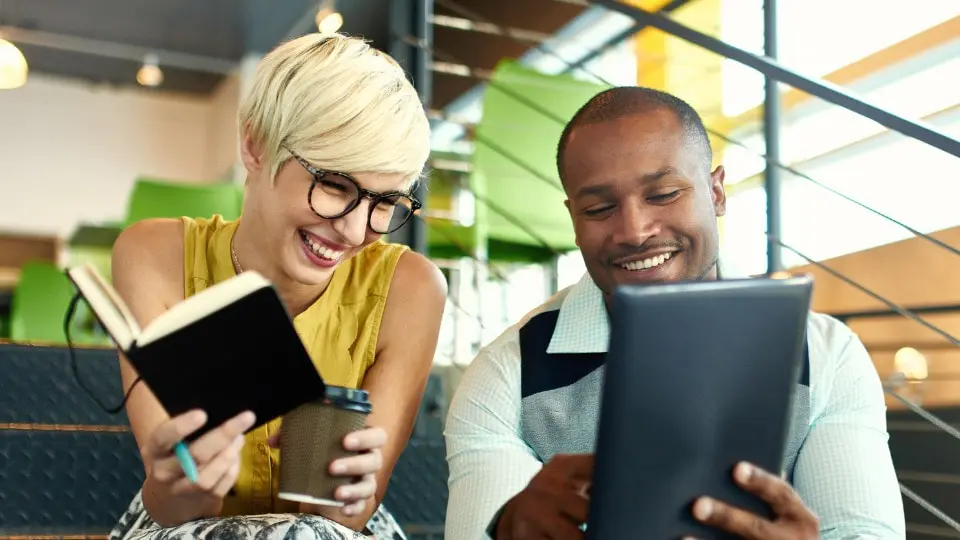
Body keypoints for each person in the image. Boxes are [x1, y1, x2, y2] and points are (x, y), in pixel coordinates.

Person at [444, 87, 905, 539]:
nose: (635, 230)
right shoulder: (508, 373)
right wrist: (507, 528)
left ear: (717, 192)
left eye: (663, 194)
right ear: (573, 218)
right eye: (600, 208)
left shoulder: (824, 355)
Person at [107, 32, 447, 540]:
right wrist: (178, 481)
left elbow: (347, 518)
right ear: (254, 145)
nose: (356, 232)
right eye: (334, 185)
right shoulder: (154, 258)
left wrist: (348, 487)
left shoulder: (411, 288)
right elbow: (174, 505)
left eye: (385, 203)